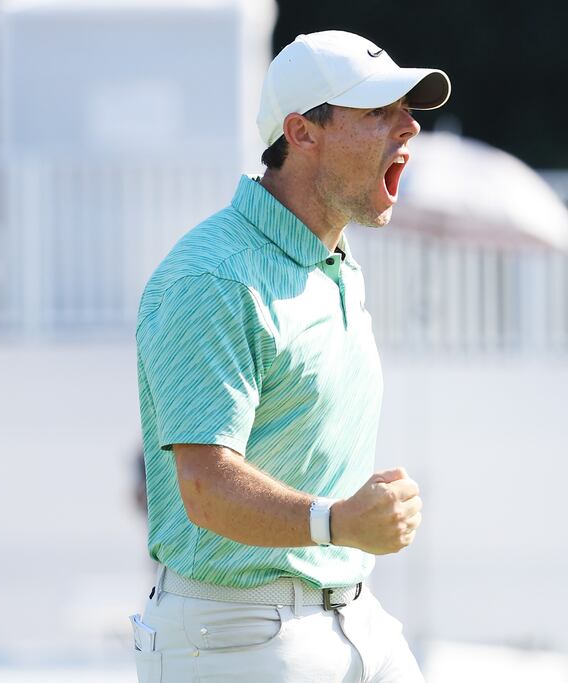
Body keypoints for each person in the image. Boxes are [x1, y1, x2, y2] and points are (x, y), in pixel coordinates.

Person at [129, 30, 450, 682]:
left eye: (407, 110)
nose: (410, 126)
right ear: (302, 133)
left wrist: (345, 531)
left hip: (357, 618)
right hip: (234, 639)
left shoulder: (334, 259)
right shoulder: (215, 275)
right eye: (379, 112)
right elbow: (204, 487)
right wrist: (339, 521)